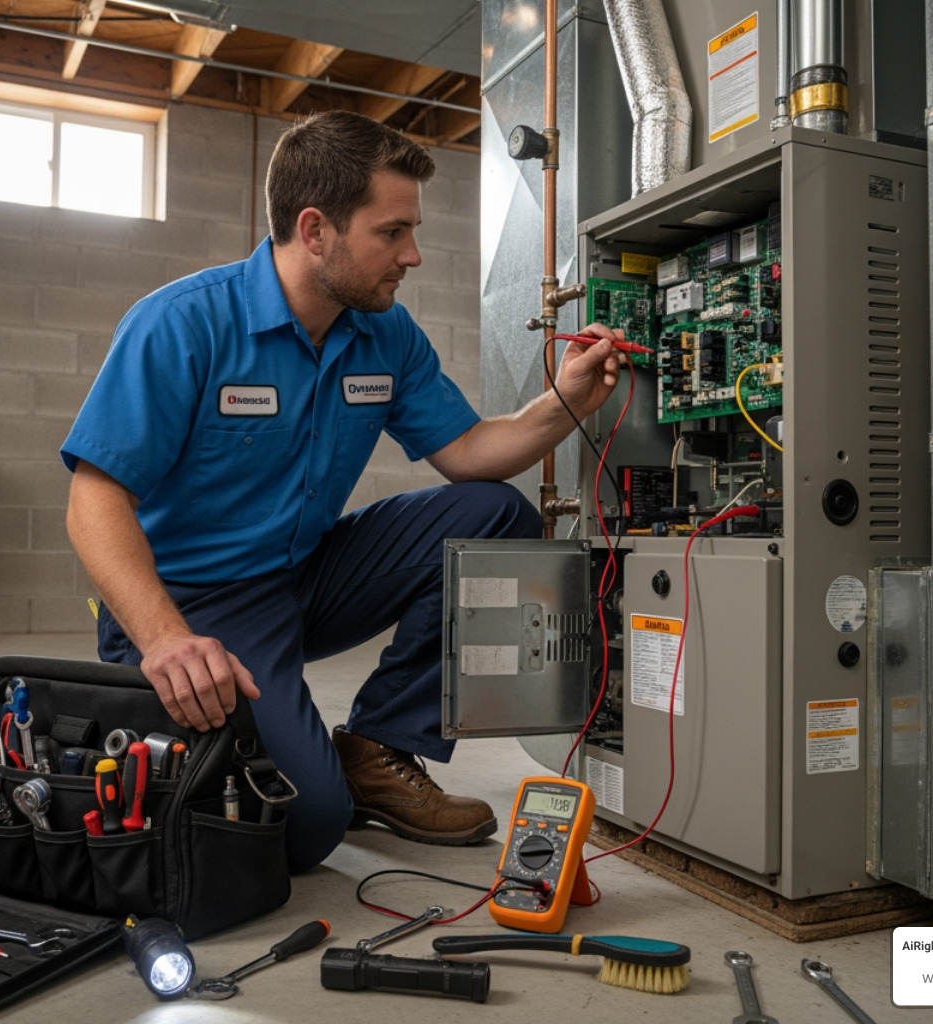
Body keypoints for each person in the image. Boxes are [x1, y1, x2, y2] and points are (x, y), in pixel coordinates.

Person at [62, 110, 622, 873]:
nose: (412, 255)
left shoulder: (383, 334)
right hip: (194, 606)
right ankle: (188, 728)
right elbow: (94, 501)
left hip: (305, 575)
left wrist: (564, 402)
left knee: (494, 515)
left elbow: (467, 452)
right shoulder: (184, 324)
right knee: (302, 827)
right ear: (315, 229)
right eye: (392, 233)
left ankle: (378, 748)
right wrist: (164, 638)